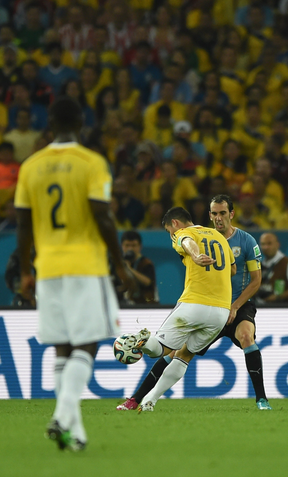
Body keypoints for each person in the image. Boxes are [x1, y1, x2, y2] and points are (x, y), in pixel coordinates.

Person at [14, 96, 133, 451]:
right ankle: (62, 415)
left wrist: (24, 271)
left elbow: (21, 224)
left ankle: (74, 432)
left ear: (48, 124)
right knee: (87, 343)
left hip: (47, 267)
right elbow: (102, 214)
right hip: (85, 265)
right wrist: (120, 263)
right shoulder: (91, 162)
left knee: (63, 348)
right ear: (81, 124)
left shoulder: (31, 166)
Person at [117, 196, 271, 410]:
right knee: (180, 355)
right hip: (219, 310)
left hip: (222, 304)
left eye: (222, 213)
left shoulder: (193, 234)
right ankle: (145, 399)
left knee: (161, 348)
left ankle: (140, 340)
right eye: (214, 213)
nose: (218, 217)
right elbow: (233, 269)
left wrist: (197, 256)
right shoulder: (217, 238)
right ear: (209, 215)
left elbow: (186, 242)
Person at [257, 232, 288, 303]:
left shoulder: (287, 263)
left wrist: (278, 297)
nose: (266, 247)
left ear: (277, 244)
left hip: (287, 309)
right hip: (268, 309)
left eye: (269, 243)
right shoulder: (261, 264)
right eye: (263, 244)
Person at [116, 230, 157, 305]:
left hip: (146, 305)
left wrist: (129, 269)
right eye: (127, 245)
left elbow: (147, 282)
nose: (130, 249)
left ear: (140, 246)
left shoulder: (146, 263)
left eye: (134, 245)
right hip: (124, 304)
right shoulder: (118, 264)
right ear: (122, 246)